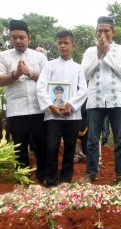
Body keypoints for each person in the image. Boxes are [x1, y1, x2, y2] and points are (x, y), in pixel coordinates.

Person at [0, 19, 49, 184]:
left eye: (22, 37)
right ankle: (22, 178)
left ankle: (43, 175)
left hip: (39, 109)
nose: (18, 41)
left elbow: (48, 80)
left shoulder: (39, 57)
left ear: (29, 38)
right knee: (20, 146)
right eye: (14, 37)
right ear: (10, 39)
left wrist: (29, 72)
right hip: (17, 110)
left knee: (41, 144)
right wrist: (15, 74)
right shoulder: (3, 57)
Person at [79, 16, 121, 183]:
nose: (102, 34)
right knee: (93, 139)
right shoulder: (89, 52)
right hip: (95, 101)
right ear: (96, 32)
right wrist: (98, 55)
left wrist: (107, 54)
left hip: (118, 101)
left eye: (106, 30)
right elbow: (84, 75)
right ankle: (91, 173)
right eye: (99, 30)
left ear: (113, 32)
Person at [36, 29, 87, 187]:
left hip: (72, 115)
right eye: (60, 43)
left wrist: (70, 104)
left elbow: (83, 89)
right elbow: (41, 87)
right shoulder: (49, 66)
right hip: (53, 115)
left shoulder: (78, 68)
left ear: (73, 45)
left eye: (66, 43)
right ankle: (51, 181)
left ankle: (65, 181)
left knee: (70, 147)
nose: (63, 46)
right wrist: (51, 106)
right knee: (52, 147)